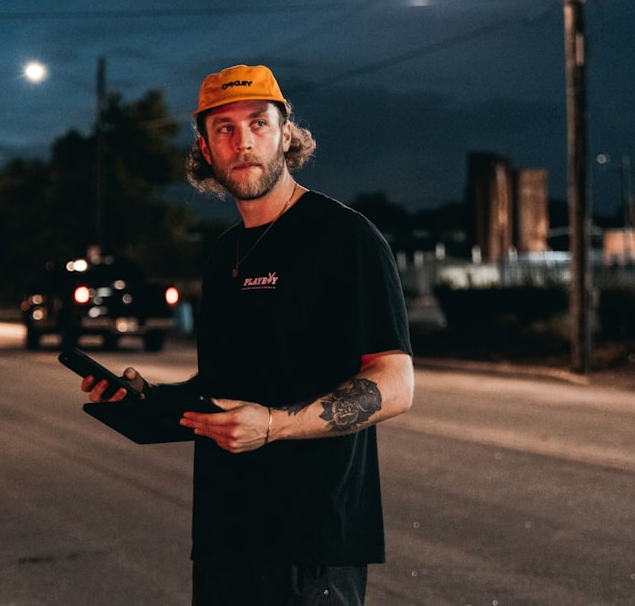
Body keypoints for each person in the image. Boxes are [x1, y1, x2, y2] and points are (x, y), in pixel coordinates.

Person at [80, 64, 415, 605]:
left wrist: (275, 425)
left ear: (286, 133)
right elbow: (224, 384)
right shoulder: (225, 253)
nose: (243, 142)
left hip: (310, 540)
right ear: (205, 148)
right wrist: (147, 401)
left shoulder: (344, 237)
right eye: (224, 129)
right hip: (225, 528)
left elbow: (395, 384)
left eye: (258, 124)